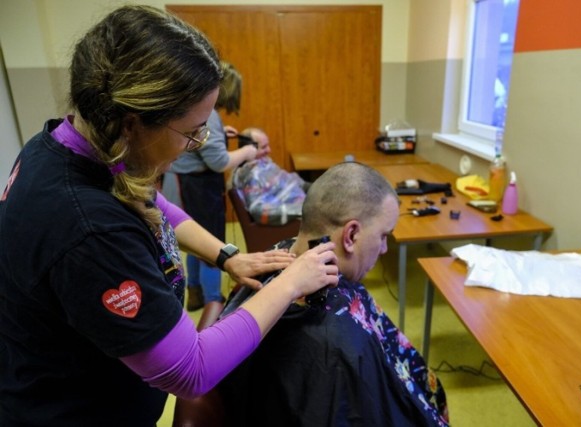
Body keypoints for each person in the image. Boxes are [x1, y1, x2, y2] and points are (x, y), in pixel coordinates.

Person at [0, 5, 338, 426]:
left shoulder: (66, 142)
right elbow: (190, 370)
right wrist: (291, 284)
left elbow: (151, 201)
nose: (196, 143)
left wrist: (226, 255)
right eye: (191, 132)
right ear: (132, 123)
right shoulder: (89, 229)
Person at [217, 162, 450, 427]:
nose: (384, 248)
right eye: (383, 235)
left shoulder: (278, 254)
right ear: (350, 235)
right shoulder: (334, 346)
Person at [161, 61, 261, 326]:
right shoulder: (211, 117)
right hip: (197, 187)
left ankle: (195, 295)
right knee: (211, 244)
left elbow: (204, 143)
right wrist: (248, 152)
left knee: (196, 245)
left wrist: (221, 135)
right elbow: (218, 161)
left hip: (184, 183)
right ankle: (214, 300)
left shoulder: (206, 116)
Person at [231, 127, 310, 226]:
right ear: (249, 150)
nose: (269, 150)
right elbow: (258, 211)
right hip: (298, 219)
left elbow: (290, 181)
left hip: (304, 199)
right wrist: (303, 209)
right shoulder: (252, 176)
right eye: (264, 147)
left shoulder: (264, 163)